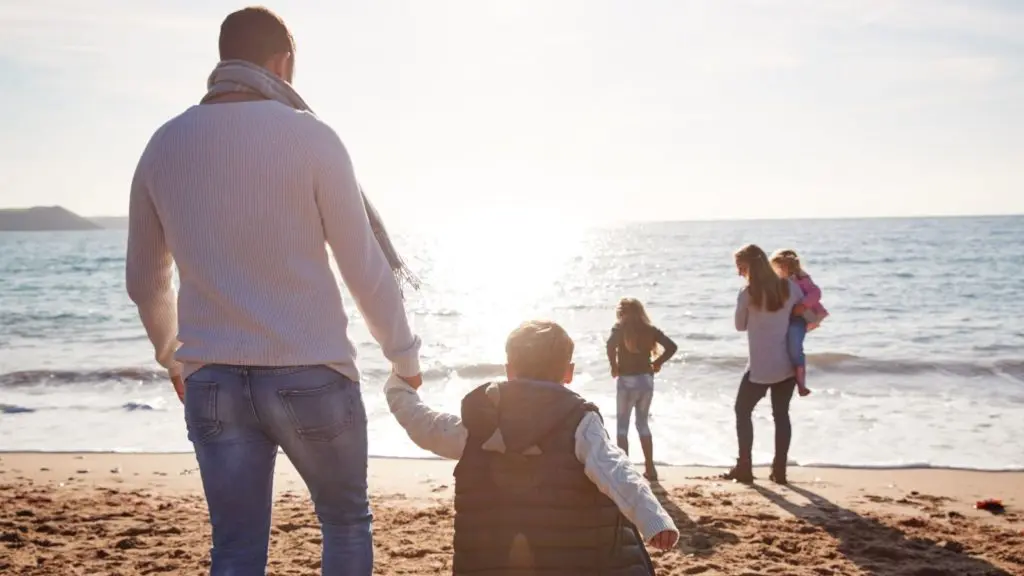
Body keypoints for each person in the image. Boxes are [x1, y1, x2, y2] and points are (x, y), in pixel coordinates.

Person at [125, 8, 421, 575]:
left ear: (222, 60)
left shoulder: (163, 143)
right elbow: (361, 264)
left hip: (212, 379)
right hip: (310, 372)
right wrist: (402, 355)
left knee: (235, 547)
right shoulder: (311, 136)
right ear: (283, 62)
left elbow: (145, 281)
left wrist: (174, 359)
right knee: (344, 522)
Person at [386, 320, 679, 575]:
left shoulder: (480, 421)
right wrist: (652, 518)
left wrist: (399, 389)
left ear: (509, 369)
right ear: (569, 372)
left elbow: (426, 426)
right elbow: (616, 468)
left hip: (491, 562)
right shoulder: (579, 420)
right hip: (568, 562)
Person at [723, 244, 804, 485]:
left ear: (750, 267)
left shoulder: (747, 294)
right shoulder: (789, 287)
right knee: (781, 415)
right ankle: (779, 471)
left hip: (759, 367)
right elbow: (803, 312)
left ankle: (745, 468)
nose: (739, 272)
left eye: (741, 267)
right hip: (786, 366)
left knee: (742, 411)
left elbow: (740, 326)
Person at [606, 298, 678, 481]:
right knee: (642, 424)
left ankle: (625, 470)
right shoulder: (650, 330)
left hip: (627, 382)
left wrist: (614, 366)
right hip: (646, 381)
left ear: (621, 313)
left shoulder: (619, 329)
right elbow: (672, 347)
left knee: (622, 426)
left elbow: (609, 345)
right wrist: (658, 363)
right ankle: (650, 468)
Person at [770, 249, 829, 397]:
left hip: (798, 318)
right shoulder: (776, 281)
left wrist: (803, 305)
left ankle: (801, 384)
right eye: (776, 267)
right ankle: (779, 375)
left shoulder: (801, 278)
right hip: (782, 318)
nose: (778, 270)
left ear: (789, 266)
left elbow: (816, 293)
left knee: (795, 347)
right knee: (779, 347)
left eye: (781, 267)